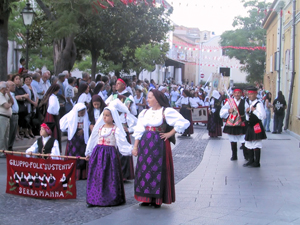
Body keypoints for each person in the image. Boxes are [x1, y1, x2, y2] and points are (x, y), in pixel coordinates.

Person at [132, 89, 190, 208]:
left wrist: (170, 133)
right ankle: (146, 198)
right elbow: (139, 129)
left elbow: (183, 122)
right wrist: (135, 146)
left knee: (157, 170)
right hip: (145, 144)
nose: (147, 100)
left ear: (157, 99)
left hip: (159, 145)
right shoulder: (144, 113)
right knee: (144, 170)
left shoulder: (166, 111)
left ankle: (156, 199)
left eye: (149, 97)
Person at [85, 100, 133, 207]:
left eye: (107, 115)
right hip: (98, 155)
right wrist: (89, 152)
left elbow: (121, 143)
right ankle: (95, 198)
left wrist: (130, 150)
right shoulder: (100, 128)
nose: (105, 117)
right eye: (104, 115)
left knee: (109, 177)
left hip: (110, 156)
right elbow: (93, 139)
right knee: (97, 177)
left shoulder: (115, 129)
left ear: (113, 117)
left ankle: (109, 198)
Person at [105, 78, 137, 181]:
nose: (117, 85)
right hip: (113, 124)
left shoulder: (129, 96)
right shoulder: (113, 96)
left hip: (123, 125)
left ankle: (123, 174)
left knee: (123, 149)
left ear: (124, 85)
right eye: (116, 83)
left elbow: (133, 111)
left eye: (119, 84)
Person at [60, 103, 90, 180]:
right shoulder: (71, 116)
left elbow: (88, 125)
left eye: (84, 112)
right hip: (74, 139)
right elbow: (62, 124)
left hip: (82, 140)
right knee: (73, 154)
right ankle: (72, 173)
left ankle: (82, 174)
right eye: (81, 112)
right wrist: (70, 129)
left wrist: (83, 130)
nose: (83, 114)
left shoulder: (85, 117)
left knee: (82, 154)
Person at [220, 87, 249, 161]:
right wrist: (228, 110)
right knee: (232, 140)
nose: (237, 94)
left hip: (241, 123)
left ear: (241, 94)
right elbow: (222, 111)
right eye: (236, 93)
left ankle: (246, 156)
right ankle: (234, 155)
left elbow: (247, 112)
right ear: (233, 94)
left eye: (239, 93)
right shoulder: (229, 102)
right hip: (232, 123)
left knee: (243, 140)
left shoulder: (244, 102)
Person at [243, 87, 267, 168]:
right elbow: (248, 117)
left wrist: (254, 110)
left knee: (256, 144)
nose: (249, 95)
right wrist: (247, 112)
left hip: (256, 126)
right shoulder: (250, 103)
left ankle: (257, 162)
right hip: (250, 126)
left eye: (251, 94)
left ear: (256, 94)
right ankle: (251, 160)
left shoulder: (259, 104)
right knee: (249, 143)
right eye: (249, 94)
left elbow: (263, 116)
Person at [39, 84, 62, 152]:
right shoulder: (53, 97)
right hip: (52, 116)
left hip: (51, 115)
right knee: (53, 131)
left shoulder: (51, 96)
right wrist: (55, 112)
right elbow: (51, 107)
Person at [0, 82, 13, 158]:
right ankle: (1, 151)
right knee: (2, 135)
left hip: (7, 117)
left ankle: (5, 150)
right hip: (2, 117)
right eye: (6, 88)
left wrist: (9, 95)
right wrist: (10, 103)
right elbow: (7, 105)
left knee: (6, 136)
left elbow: (12, 102)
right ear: (2, 88)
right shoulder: (0, 96)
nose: (8, 89)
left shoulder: (6, 95)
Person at [7, 81, 18, 151]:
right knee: (10, 132)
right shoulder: (8, 94)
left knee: (14, 132)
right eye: (12, 85)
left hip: (16, 114)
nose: (14, 87)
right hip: (12, 114)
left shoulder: (13, 94)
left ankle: (10, 146)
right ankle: (8, 147)